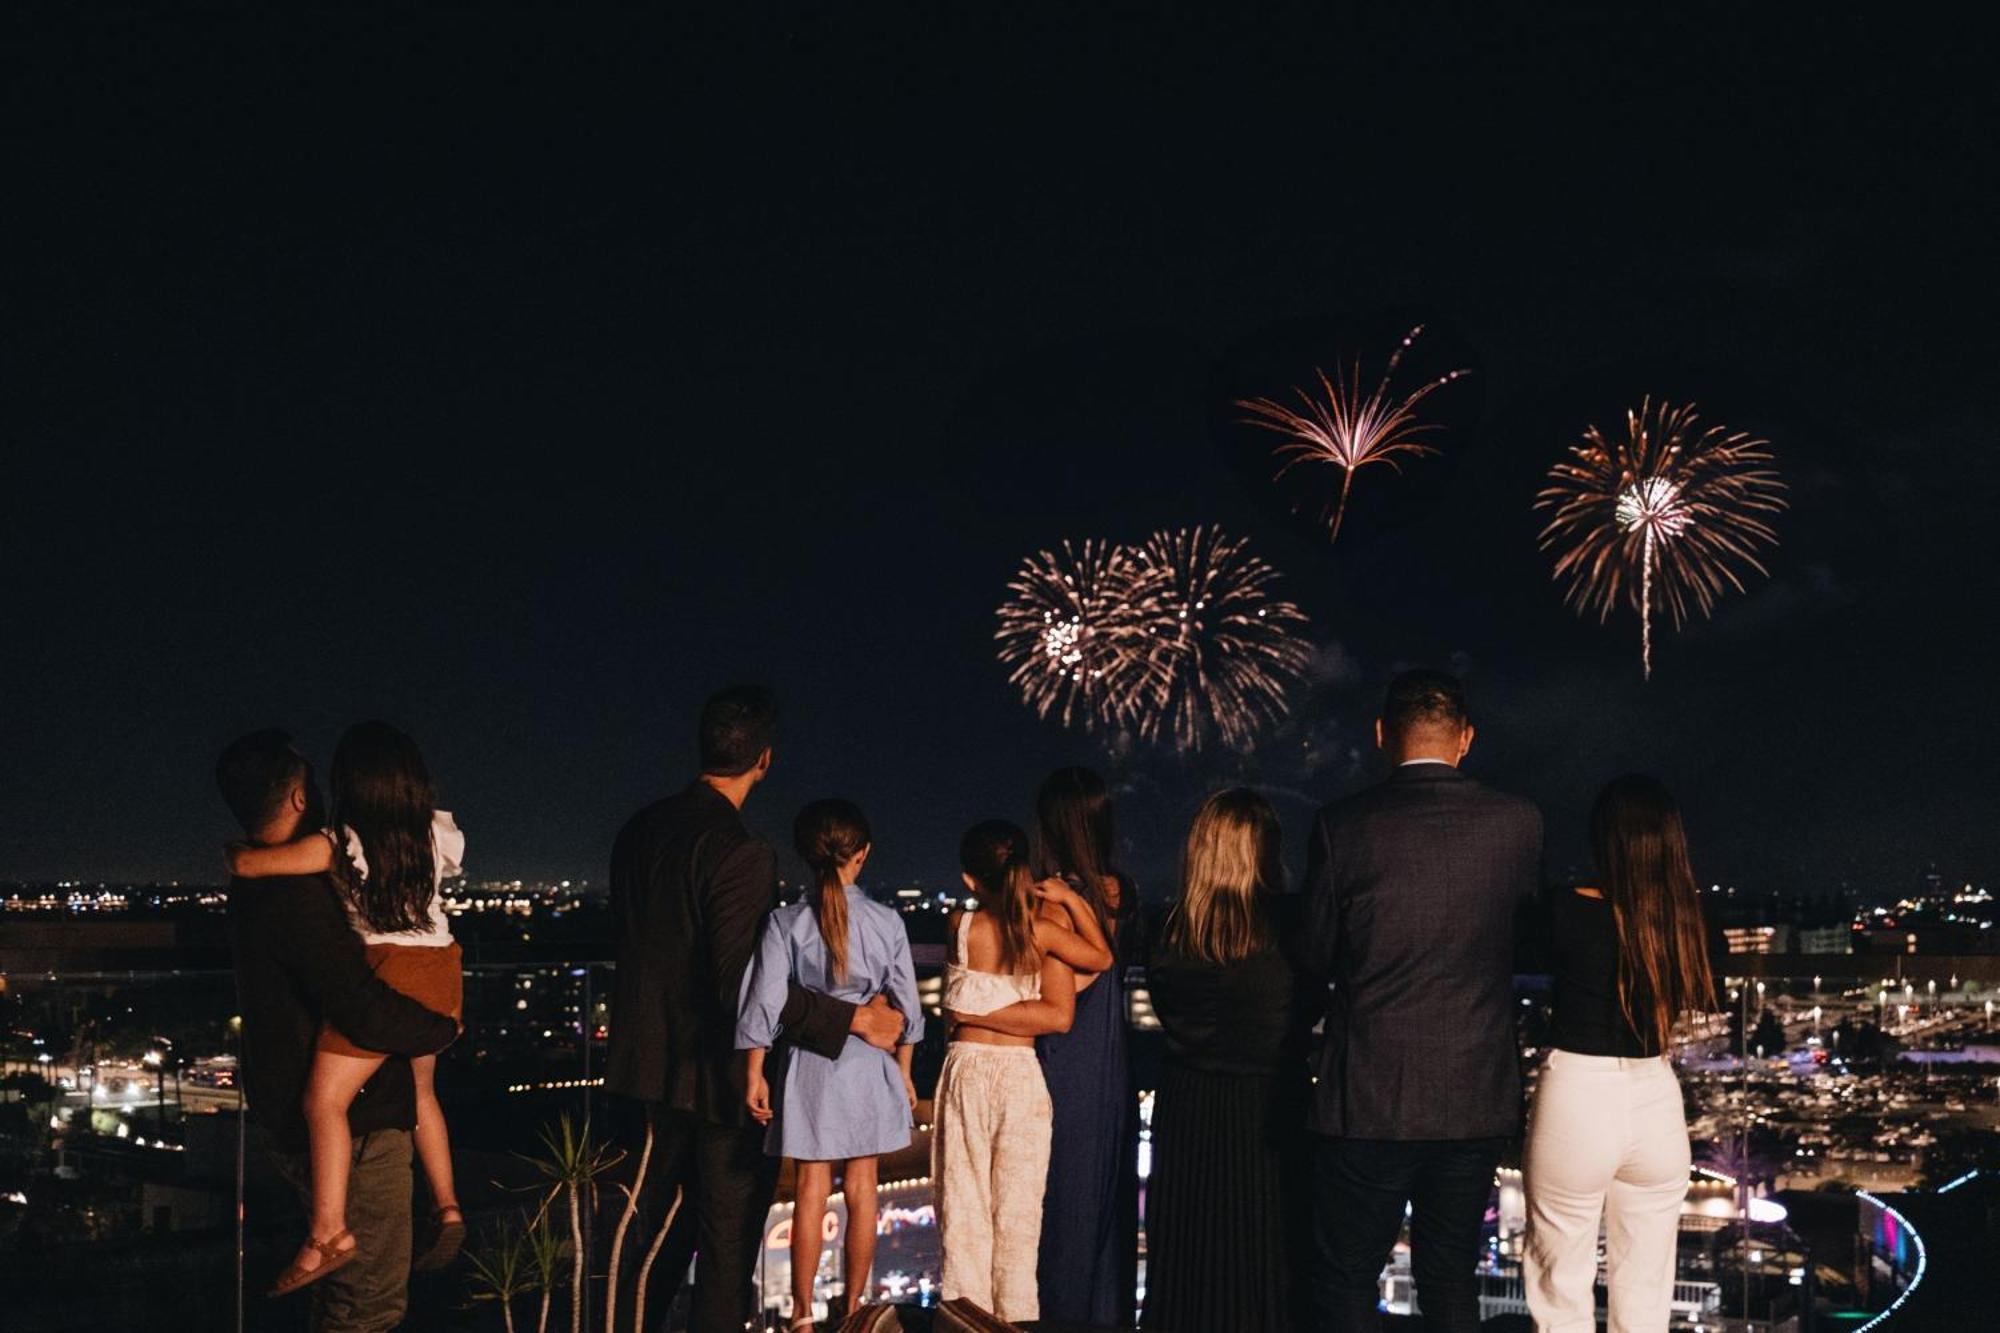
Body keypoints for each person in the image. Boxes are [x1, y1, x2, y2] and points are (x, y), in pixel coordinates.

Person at [603, 685, 907, 1332]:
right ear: (763, 760)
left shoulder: (638, 829)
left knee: (639, 1249)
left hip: (641, 1072)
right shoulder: (740, 849)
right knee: (723, 1251)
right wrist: (848, 1016)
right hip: (717, 1085)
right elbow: (742, 981)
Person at [1305, 669, 1543, 1332]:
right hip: (1472, 1091)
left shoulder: (1342, 826)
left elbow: (1316, 951)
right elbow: (1522, 939)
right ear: (1466, 739)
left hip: (1369, 1092)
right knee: (1449, 1276)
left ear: (1382, 736)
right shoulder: (1517, 824)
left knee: (1347, 1274)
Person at [216, 730, 459, 1331]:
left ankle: (338, 1231)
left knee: (350, 1303)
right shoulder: (311, 887)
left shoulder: (289, 874)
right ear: (300, 797)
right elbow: (362, 1008)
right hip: (368, 1121)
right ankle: (405, 1214)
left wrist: (237, 855)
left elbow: (246, 860)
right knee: (367, 1309)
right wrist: (440, 1031)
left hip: (325, 1109)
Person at [1523, 776, 1716, 1332]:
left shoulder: (1563, 911)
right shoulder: (1687, 923)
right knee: (1647, 1294)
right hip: (1657, 1100)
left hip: (1579, 1097)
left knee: (1560, 1286)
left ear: (1602, 839)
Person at [737, 799, 925, 1329]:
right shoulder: (886, 921)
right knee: (863, 1186)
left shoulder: (785, 922)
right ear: (862, 854)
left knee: (810, 1188)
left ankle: (800, 1315)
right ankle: (857, 1309)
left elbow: (764, 1003)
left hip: (811, 1064)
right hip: (867, 1066)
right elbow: (909, 1010)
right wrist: (905, 1070)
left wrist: (755, 1073)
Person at [1143, 789, 1316, 1332]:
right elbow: (1312, 1004)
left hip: (1187, 1109)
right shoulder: (1292, 929)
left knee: (1189, 1257)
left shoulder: (1167, 930)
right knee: (1266, 1254)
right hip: (1269, 1110)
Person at [933, 819, 1112, 1324]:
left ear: (970, 879)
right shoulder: (1041, 930)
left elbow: (962, 1000)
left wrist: (972, 1013)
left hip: (966, 1067)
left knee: (963, 1204)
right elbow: (1100, 957)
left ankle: (963, 1320)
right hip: (1018, 1072)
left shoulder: (958, 926)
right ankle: (1014, 1321)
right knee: (1018, 1210)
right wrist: (1071, 902)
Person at [1028, 766, 1140, 1326]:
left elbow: (1064, 989)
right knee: (1103, 1204)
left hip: (1061, 1064)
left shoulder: (1050, 900)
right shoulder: (1119, 891)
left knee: (1059, 1206)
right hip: (1110, 1066)